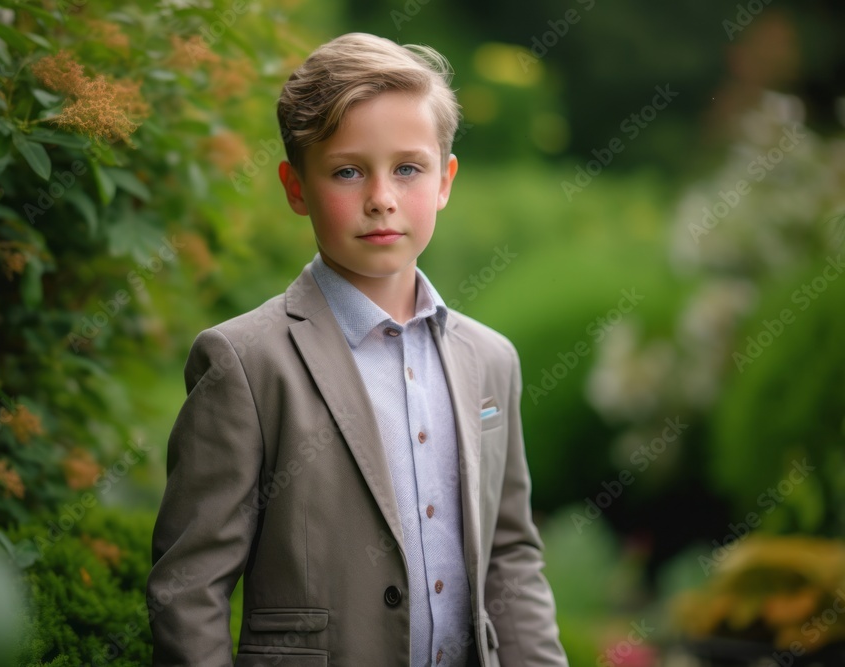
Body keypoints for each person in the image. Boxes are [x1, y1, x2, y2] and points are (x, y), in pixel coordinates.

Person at [147, 32, 568, 667]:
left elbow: (510, 556)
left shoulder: (491, 359)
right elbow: (188, 588)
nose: (381, 198)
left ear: (446, 180)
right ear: (296, 187)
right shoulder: (244, 363)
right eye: (348, 171)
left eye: (408, 168)